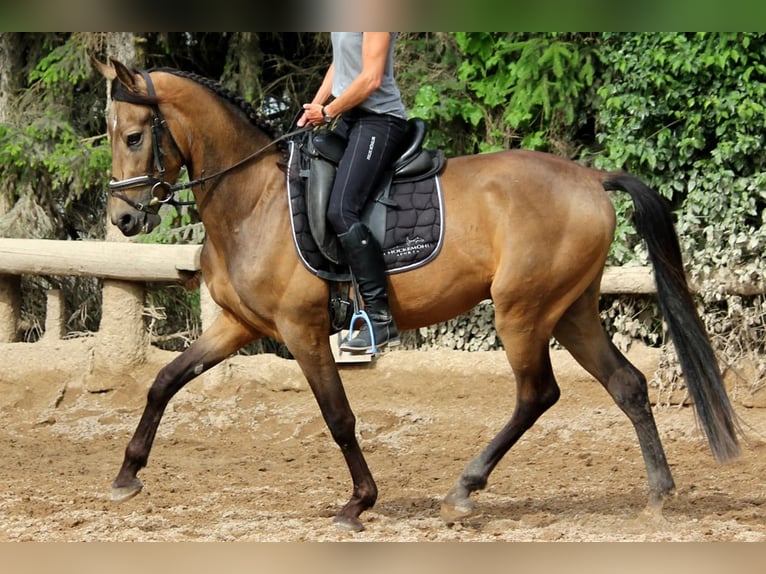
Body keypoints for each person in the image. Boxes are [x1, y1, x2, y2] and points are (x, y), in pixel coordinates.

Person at [297, 32, 409, 353]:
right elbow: (340, 66)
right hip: (351, 117)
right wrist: (316, 105)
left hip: (379, 121)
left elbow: (371, 78)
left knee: (341, 209)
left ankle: (379, 318)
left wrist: (329, 112)